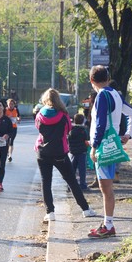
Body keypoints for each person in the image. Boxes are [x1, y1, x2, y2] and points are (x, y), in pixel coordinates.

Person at [87, 65, 132, 238]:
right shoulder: (116, 94)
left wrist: (94, 147)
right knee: (107, 186)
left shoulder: (101, 95)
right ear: (108, 78)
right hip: (114, 142)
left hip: (103, 145)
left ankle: (108, 225)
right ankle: (107, 223)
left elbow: (101, 123)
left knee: (105, 187)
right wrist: (127, 134)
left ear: (92, 81)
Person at [35, 88, 96, 222]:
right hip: (59, 153)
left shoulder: (40, 115)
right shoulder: (63, 115)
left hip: (43, 152)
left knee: (46, 182)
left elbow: (38, 128)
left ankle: (50, 212)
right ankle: (85, 209)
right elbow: (68, 130)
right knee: (72, 181)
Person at [68, 113, 90, 190]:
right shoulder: (84, 130)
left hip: (73, 151)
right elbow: (86, 141)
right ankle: (83, 185)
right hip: (82, 152)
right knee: (82, 170)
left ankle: (70, 185)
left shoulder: (71, 130)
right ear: (82, 121)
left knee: (72, 169)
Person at [4, 98, 20, 162]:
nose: (11, 105)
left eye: (12, 104)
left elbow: (19, 116)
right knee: (7, 141)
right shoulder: (5, 110)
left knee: (11, 141)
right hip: (7, 128)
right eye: (9, 104)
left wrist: (18, 119)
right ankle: (7, 153)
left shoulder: (16, 110)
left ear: (14, 104)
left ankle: (10, 155)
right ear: (7, 104)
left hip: (14, 127)